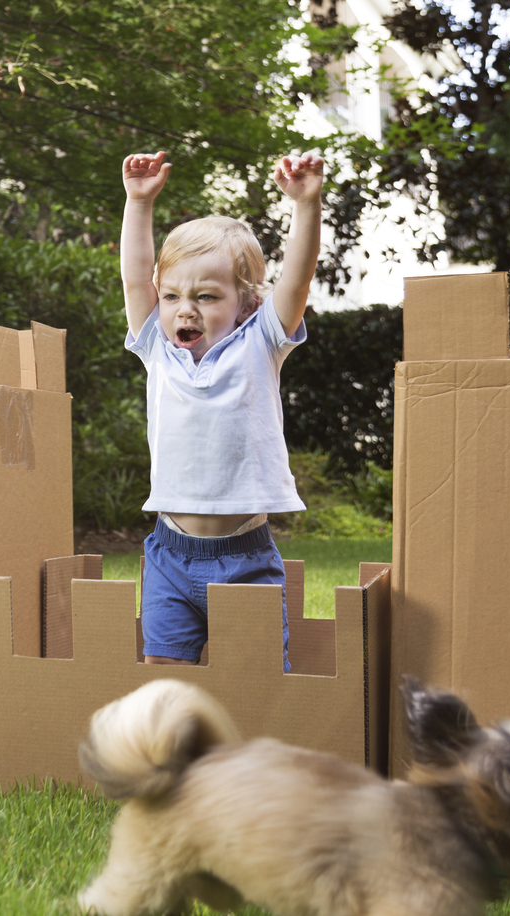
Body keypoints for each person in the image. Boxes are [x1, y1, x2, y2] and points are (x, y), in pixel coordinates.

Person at [121, 149, 323, 668]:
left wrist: (306, 205)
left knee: (256, 684)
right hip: (169, 555)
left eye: (207, 297)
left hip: (245, 558)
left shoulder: (261, 343)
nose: (185, 308)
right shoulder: (157, 349)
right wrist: (138, 203)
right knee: (163, 679)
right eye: (172, 297)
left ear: (247, 303)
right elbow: (135, 277)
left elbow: (295, 283)